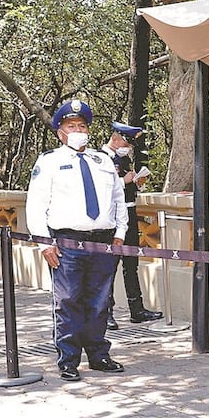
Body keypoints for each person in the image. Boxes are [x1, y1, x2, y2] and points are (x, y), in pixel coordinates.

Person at [25, 99, 128, 381]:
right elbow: (35, 205)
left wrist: (120, 234)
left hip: (103, 241)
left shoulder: (103, 161)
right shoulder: (49, 162)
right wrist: (44, 243)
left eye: (82, 125)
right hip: (67, 243)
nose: (78, 130)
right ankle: (68, 359)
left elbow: (118, 200)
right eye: (71, 126)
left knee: (99, 301)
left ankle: (99, 355)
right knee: (68, 300)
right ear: (61, 132)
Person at [100, 121, 162, 328]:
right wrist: (124, 181)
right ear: (116, 139)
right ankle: (106, 312)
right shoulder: (102, 159)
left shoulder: (123, 159)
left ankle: (137, 309)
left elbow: (126, 185)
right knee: (110, 266)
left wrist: (136, 183)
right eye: (127, 143)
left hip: (130, 211)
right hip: (114, 217)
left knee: (131, 264)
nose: (129, 149)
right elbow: (102, 188)